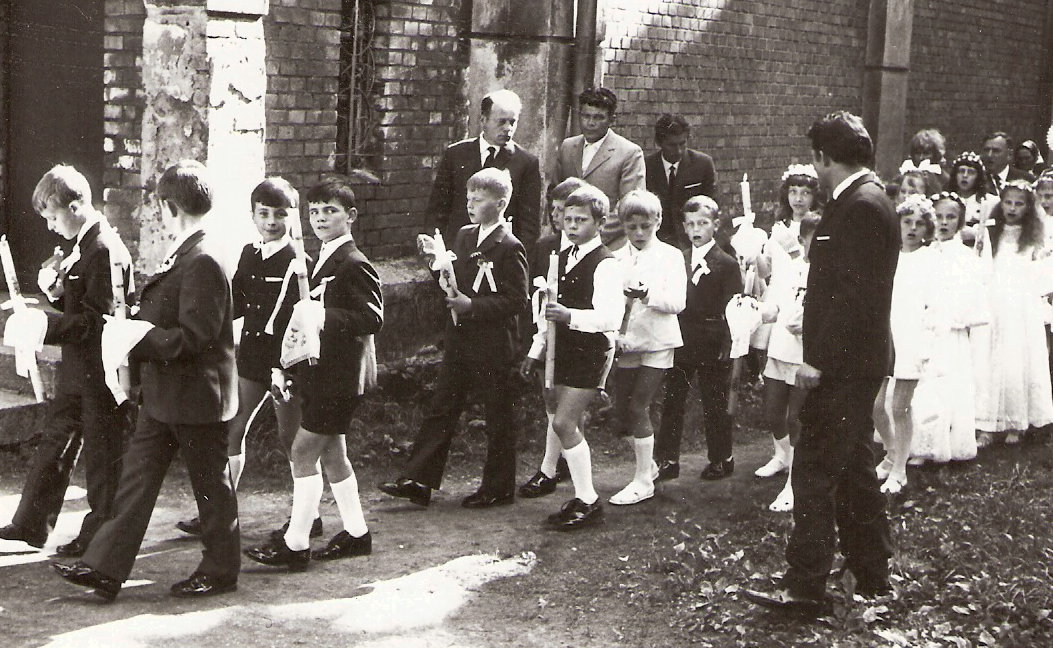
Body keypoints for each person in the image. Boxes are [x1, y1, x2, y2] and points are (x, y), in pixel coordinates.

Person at [53, 160, 240, 600]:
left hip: (197, 396)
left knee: (211, 489)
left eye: (161, 206)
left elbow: (196, 336)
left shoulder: (203, 257)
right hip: (167, 394)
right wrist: (136, 319)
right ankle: (103, 567)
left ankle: (220, 571)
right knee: (135, 482)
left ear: (169, 207)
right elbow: (170, 312)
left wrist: (138, 335)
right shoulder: (189, 252)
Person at [744, 111, 898, 613]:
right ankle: (872, 573)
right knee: (854, 465)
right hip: (853, 361)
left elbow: (852, 300)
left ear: (824, 158)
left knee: (812, 469)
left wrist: (819, 363)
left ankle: (805, 584)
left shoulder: (861, 206)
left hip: (843, 366)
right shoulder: (862, 199)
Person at [244, 177, 383, 570]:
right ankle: (357, 533)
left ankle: (296, 544)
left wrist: (324, 315)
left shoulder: (354, 263)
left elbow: (372, 318)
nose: (321, 218)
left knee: (302, 452)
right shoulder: (320, 258)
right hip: (321, 376)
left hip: (340, 379)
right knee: (334, 456)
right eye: (315, 211)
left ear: (350, 216)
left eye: (331, 211)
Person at [0, 165, 131, 556]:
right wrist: (56, 295)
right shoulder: (85, 244)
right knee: (57, 438)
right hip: (80, 364)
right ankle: (31, 523)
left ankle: (100, 537)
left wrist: (44, 323)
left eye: (53, 217)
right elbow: (82, 302)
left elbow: (97, 321)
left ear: (76, 206)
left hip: (102, 368)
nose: (50, 226)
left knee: (103, 454)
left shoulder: (103, 248)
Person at [379, 168, 529, 508]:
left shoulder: (510, 246)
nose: (470, 204)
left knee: (497, 413)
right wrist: (436, 262)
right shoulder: (464, 235)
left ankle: (498, 486)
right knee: (442, 405)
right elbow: (453, 282)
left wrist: (472, 305)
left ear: (501, 204)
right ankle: (418, 479)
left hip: (493, 341)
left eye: (479, 199)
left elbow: (516, 300)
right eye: (468, 198)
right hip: (461, 336)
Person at [175, 177, 307, 539]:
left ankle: (307, 515)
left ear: (293, 216)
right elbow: (235, 303)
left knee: (292, 439)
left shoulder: (298, 262)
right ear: (252, 215)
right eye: (263, 214)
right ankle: (219, 512)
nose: (271, 222)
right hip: (251, 358)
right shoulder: (250, 253)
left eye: (280, 214)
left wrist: (285, 367)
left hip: (286, 363)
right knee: (232, 429)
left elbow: (297, 320)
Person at [518, 184, 623, 528]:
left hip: (589, 353)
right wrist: (536, 350)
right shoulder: (561, 258)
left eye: (581, 220)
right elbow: (545, 315)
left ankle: (589, 500)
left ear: (600, 223)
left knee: (564, 423)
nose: (572, 225)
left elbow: (610, 318)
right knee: (561, 420)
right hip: (560, 349)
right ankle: (581, 496)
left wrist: (570, 316)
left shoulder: (606, 264)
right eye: (568, 219)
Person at [654, 196, 740, 483]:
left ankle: (721, 457)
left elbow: (733, 307)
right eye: (690, 224)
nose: (696, 230)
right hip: (681, 338)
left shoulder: (726, 263)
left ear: (715, 224)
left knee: (714, 401)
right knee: (673, 399)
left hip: (712, 340)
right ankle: (668, 459)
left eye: (702, 223)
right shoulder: (678, 259)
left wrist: (729, 342)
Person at [608, 190, 685, 504]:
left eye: (646, 226)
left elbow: (678, 302)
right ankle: (649, 465)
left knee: (639, 406)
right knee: (622, 413)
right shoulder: (614, 258)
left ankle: (642, 481)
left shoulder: (671, 256)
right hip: (627, 342)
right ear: (623, 225)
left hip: (658, 340)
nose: (639, 233)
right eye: (632, 227)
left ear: (658, 222)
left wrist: (647, 294)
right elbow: (610, 303)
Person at [974, 180, 1053, 447]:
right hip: (994, 302)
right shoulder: (991, 233)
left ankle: (1016, 421)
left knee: (1015, 361)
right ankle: (986, 423)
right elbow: (983, 267)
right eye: (1008, 202)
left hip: (1020, 306)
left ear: (1028, 207)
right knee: (989, 361)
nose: (1012, 208)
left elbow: (1041, 273)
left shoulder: (1033, 238)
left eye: (1019, 204)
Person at [910, 192, 986, 465]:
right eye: (939, 217)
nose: (944, 223)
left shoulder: (965, 258)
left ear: (960, 221)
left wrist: (955, 316)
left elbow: (971, 296)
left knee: (950, 386)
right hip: (927, 328)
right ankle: (922, 445)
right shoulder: (924, 253)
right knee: (925, 387)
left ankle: (950, 443)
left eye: (950, 217)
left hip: (951, 329)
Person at [755, 214, 821, 512]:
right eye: (811, 239)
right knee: (773, 413)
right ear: (802, 239)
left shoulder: (829, 273)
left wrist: (808, 326)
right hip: (780, 348)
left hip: (804, 354)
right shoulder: (790, 269)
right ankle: (782, 457)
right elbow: (776, 305)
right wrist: (757, 311)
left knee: (796, 419)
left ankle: (795, 483)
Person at [429, 89, 542, 257]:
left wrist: (515, 258)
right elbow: (438, 209)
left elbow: (529, 224)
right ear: (483, 120)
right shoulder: (456, 154)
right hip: (457, 252)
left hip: (499, 257)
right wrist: (437, 253)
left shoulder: (526, 163)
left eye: (512, 122)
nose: (508, 128)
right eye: (501, 122)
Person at [873, 195, 936, 495]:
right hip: (885, 334)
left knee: (900, 407)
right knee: (875, 405)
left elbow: (935, 306)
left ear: (927, 228)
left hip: (913, 336)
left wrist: (927, 345)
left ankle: (900, 471)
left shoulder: (930, 259)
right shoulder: (886, 256)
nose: (912, 228)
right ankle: (891, 453)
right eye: (906, 222)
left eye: (919, 223)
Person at [553, 87, 645, 255]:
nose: (590, 123)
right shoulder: (568, 147)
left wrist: (591, 235)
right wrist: (567, 231)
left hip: (609, 246)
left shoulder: (629, 152)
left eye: (598, 117)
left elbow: (629, 206)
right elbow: (555, 193)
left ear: (612, 120)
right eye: (586, 116)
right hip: (569, 243)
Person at [643, 114, 717, 247]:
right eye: (671, 145)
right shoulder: (646, 166)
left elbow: (712, 206)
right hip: (658, 243)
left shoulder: (703, 164)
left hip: (693, 241)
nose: (678, 151)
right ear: (659, 143)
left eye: (682, 144)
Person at [947, 151, 998, 230]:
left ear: (978, 177)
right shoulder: (946, 200)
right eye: (961, 171)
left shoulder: (991, 202)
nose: (965, 176)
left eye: (971, 172)